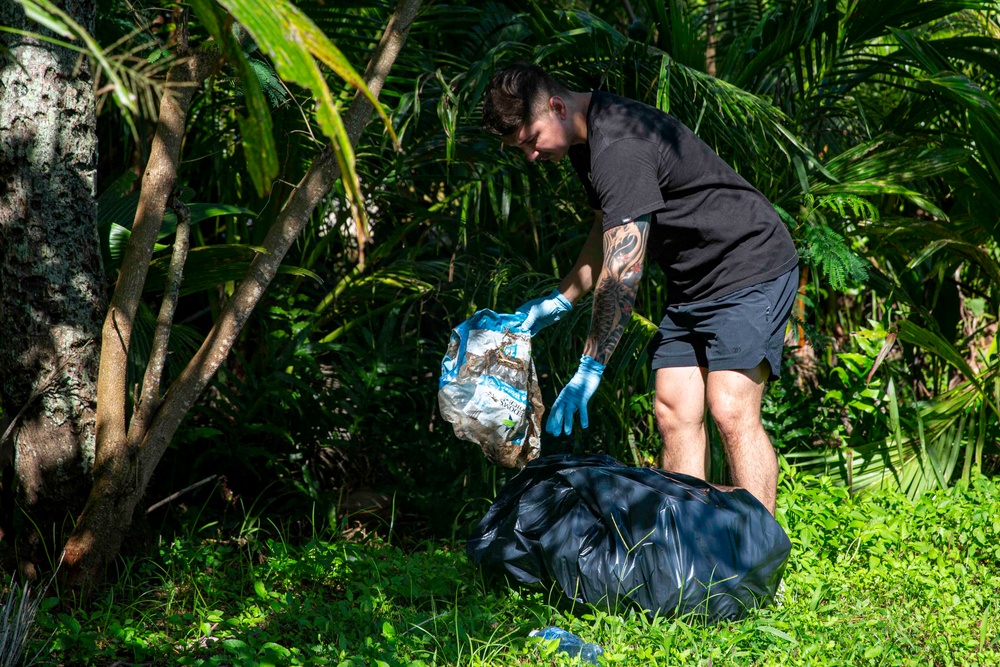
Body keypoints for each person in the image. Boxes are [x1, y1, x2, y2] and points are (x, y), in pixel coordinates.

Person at [481, 63, 799, 514]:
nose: (530, 155)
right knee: (673, 411)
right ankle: (688, 550)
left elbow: (623, 273)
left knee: (729, 406)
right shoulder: (584, 140)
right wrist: (560, 300)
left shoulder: (619, 145)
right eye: (520, 149)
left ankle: (762, 562)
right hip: (694, 283)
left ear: (555, 107)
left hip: (750, 264)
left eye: (531, 140)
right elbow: (606, 231)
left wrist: (591, 366)